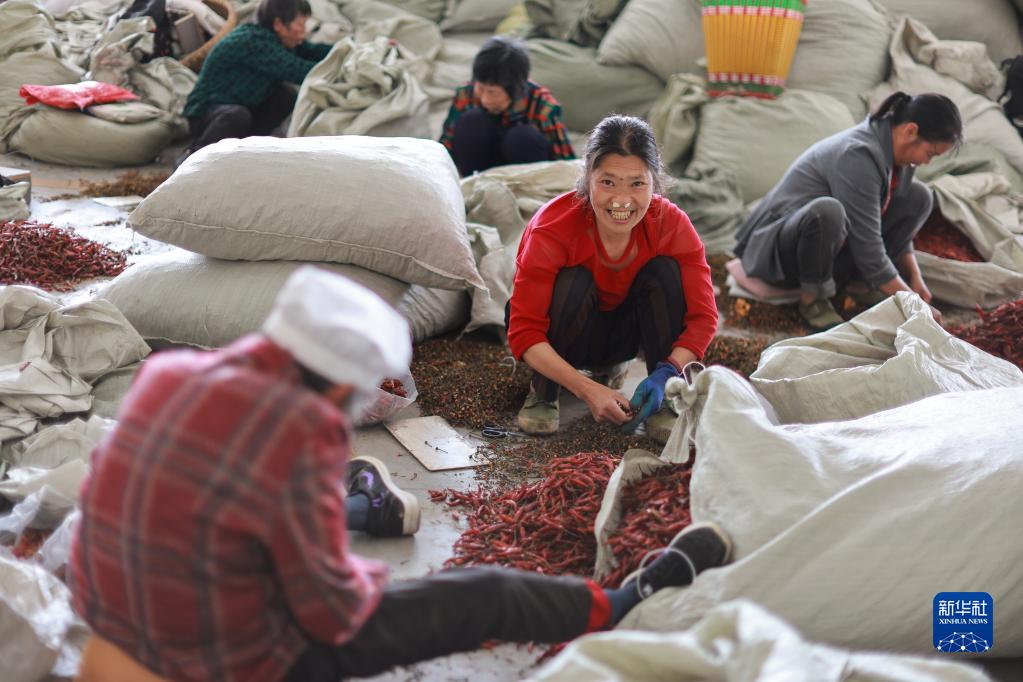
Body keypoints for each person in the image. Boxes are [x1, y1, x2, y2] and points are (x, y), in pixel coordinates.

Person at [69, 267, 733, 681]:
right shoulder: (301, 437)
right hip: (224, 662)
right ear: (339, 390)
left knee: (243, 510)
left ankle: (360, 507)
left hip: (108, 610)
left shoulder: (169, 374)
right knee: (481, 597)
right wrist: (363, 575)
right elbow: (332, 615)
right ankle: (618, 603)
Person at [506, 115, 719, 443]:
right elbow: (523, 332)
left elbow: (704, 318)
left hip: (626, 341)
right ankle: (544, 392)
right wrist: (586, 390)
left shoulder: (671, 224)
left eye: (637, 183)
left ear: (654, 181)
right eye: (608, 182)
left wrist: (668, 372)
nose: (622, 200)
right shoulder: (553, 227)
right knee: (573, 280)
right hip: (566, 339)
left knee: (666, 272)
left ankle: (660, 399)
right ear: (587, 177)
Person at [733, 91, 963, 331]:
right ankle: (813, 297)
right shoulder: (859, 155)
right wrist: (914, 304)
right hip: (783, 249)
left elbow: (879, 220)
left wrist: (914, 278)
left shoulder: (900, 157)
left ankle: (858, 285)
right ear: (910, 131)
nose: (927, 162)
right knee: (828, 211)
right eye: (930, 154)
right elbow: (869, 247)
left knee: (920, 196)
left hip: (831, 246)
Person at [177, 0, 331, 164]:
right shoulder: (253, 41)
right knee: (237, 116)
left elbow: (313, 51)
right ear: (279, 24)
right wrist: (338, 69)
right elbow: (299, 71)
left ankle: (246, 151)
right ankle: (193, 156)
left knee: (285, 95)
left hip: (243, 108)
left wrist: (349, 51)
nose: (303, 33)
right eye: (300, 25)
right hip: (208, 114)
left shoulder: (283, 39)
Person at [439, 36, 575, 177]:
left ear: (514, 90)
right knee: (472, 121)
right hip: (478, 172)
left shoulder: (543, 106)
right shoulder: (465, 94)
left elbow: (565, 162)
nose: (485, 99)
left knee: (521, 137)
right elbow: (445, 146)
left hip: (523, 176)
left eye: (493, 92)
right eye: (480, 88)